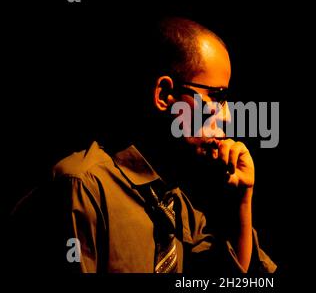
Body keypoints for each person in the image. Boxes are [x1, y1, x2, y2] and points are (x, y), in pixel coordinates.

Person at [10, 17, 276, 274]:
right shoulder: (82, 189)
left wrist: (242, 199)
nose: (227, 115)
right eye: (216, 97)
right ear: (164, 95)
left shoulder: (177, 208)